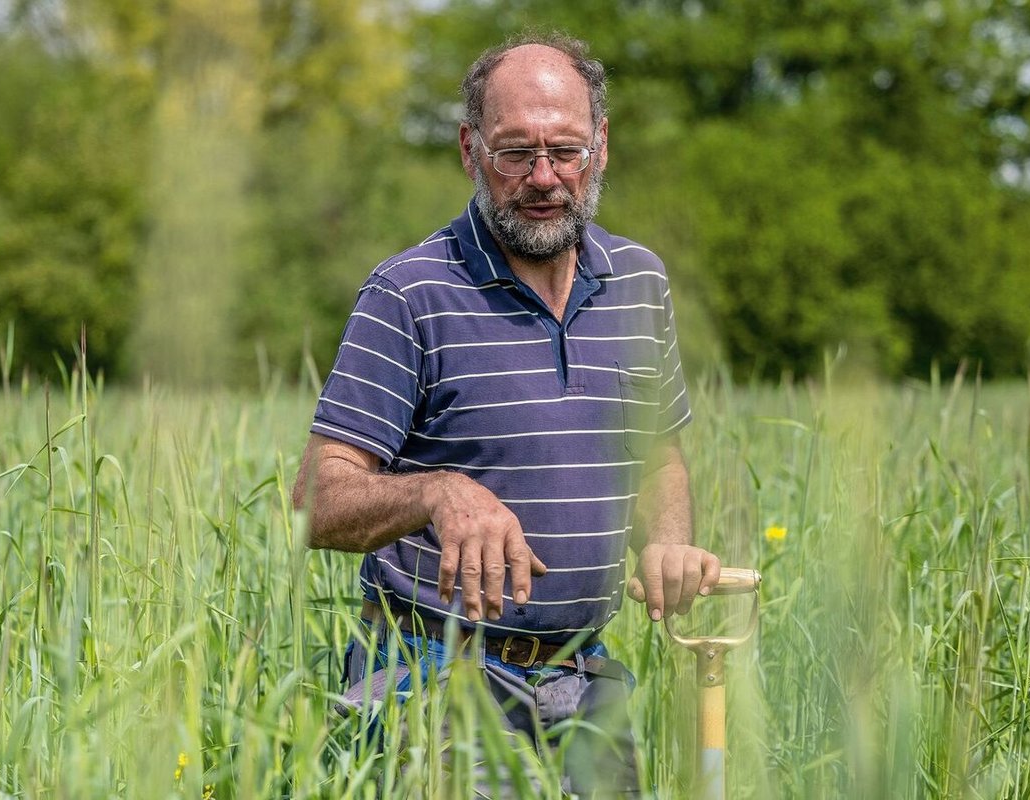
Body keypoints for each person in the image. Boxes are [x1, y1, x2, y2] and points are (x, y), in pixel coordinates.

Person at [292, 32, 721, 796]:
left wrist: (669, 543)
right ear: (469, 149)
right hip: (435, 685)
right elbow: (315, 502)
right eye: (515, 152)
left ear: (603, 146)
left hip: (587, 686)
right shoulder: (409, 294)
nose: (545, 177)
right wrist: (433, 492)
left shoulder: (640, 284)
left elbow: (656, 457)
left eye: (567, 150)